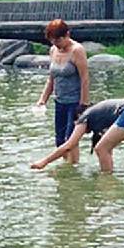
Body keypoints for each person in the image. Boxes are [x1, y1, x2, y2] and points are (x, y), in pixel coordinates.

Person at [32, 97, 124, 172]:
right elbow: (109, 149)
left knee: (101, 149)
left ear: (78, 117)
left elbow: (69, 145)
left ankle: (107, 180)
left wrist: (44, 162)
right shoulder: (101, 115)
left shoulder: (84, 117)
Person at [34, 18, 90, 158]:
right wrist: (42, 100)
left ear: (67, 35)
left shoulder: (77, 50)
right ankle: (66, 168)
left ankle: (74, 170)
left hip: (75, 102)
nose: (56, 44)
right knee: (59, 141)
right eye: (52, 41)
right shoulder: (53, 50)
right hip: (59, 101)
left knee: (70, 141)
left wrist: (83, 105)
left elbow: (85, 79)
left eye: (58, 40)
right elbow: (51, 78)